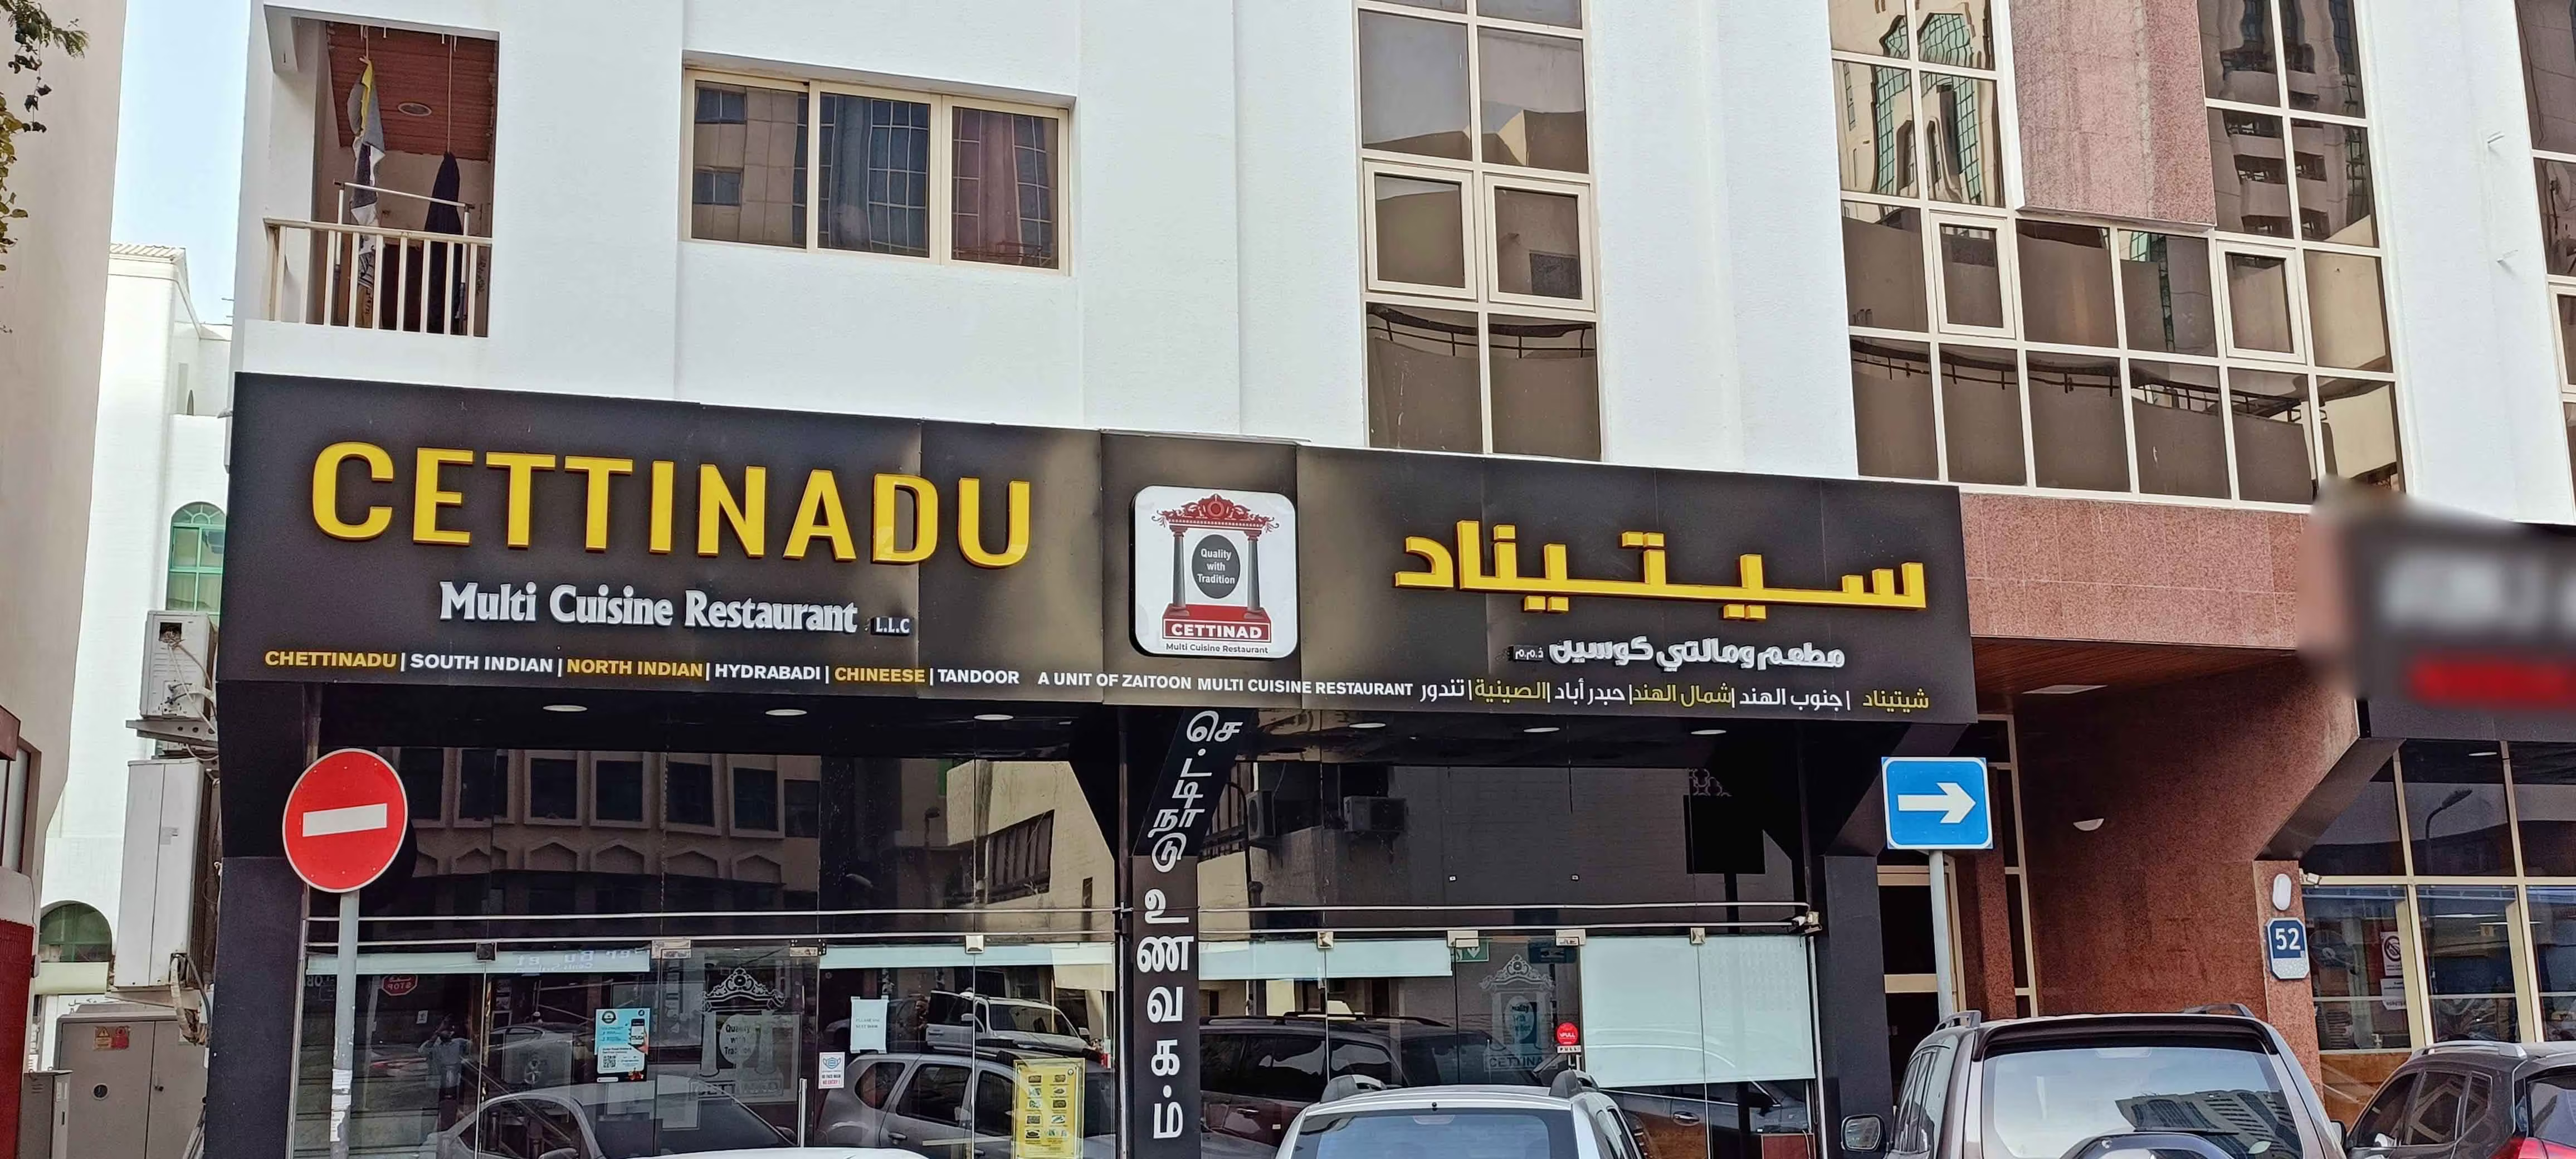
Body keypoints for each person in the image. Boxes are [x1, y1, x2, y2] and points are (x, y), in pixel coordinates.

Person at [422, 1018, 475, 1129]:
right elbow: (423, 1051)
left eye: (447, 1030)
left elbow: (475, 1047)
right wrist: (437, 1032)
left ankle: (446, 1134)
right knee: (430, 1117)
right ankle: (427, 1134)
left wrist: (470, 1028)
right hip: (434, 1086)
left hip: (452, 1086)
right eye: (442, 1030)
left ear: (452, 1032)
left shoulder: (459, 1043)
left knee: (449, 1116)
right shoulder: (434, 1045)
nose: (444, 1032)